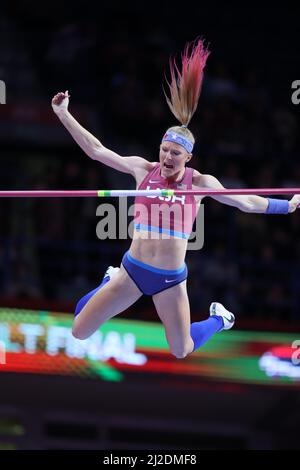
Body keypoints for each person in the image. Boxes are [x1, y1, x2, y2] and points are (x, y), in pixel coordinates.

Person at [51, 39, 300, 359]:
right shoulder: (143, 169)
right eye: (164, 149)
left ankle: (219, 318)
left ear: (188, 156)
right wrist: (63, 113)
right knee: (79, 330)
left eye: (175, 153)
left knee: (181, 349)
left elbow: (246, 202)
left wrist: (288, 205)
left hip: (169, 279)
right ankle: (107, 280)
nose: (167, 156)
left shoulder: (199, 183)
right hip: (131, 270)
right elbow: (97, 151)